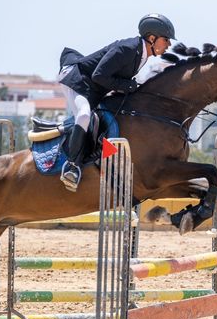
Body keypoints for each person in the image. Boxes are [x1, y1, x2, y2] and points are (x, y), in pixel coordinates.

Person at [57, 13, 175, 191]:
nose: (169, 45)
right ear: (152, 38)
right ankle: (72, 167)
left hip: (92, 88)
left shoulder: (141, 55)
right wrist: (130, 86)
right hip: (76, 80)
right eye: (166, 40)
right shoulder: (127, 48)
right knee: (83, 115)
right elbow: (99, 75)